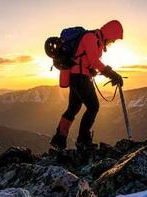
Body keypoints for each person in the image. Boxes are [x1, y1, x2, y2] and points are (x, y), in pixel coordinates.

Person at [50, 20, 124, 150]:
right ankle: (83, 141)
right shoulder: (90, 37)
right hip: (79, 78)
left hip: (76, 76)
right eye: (113, 40)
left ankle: (59, 139)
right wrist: (112, 74)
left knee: (73, 108)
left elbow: (84, 59)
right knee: (93, 107)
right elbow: (94, 61)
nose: (112, 43)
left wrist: (91, 70)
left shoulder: (95, 40)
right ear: (109, 34)